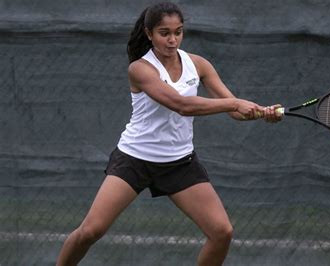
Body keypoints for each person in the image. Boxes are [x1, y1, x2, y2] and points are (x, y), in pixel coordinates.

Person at [56, 2, 281, 266]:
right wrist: (235, 103)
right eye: (165, 33)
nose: (172, 40)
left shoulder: (198, 65)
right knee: (90, 231)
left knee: (222, 233)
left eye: (178, 32)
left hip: (179, 163)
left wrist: (260, 111)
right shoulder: (140, 69)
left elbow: (235, 111)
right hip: (135, 159)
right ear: (150, 34)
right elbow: (182, 105)